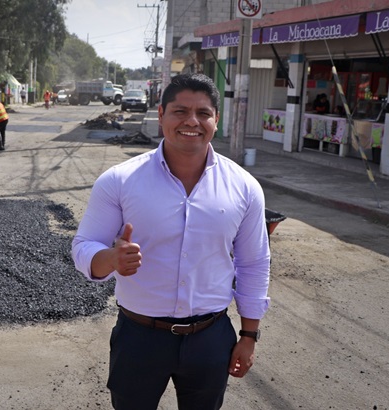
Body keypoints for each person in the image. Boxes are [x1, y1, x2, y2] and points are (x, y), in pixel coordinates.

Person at [72, 73, 271, 409]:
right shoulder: (120, 181)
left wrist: (249, 336)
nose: (192, 121)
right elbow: (83, 245)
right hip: (139, 337)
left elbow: (253, 263)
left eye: (203, 113)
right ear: (161, 113)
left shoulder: (244, 187)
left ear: (216, 120)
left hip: (210, 336)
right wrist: (110, 259)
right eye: (180, 111)